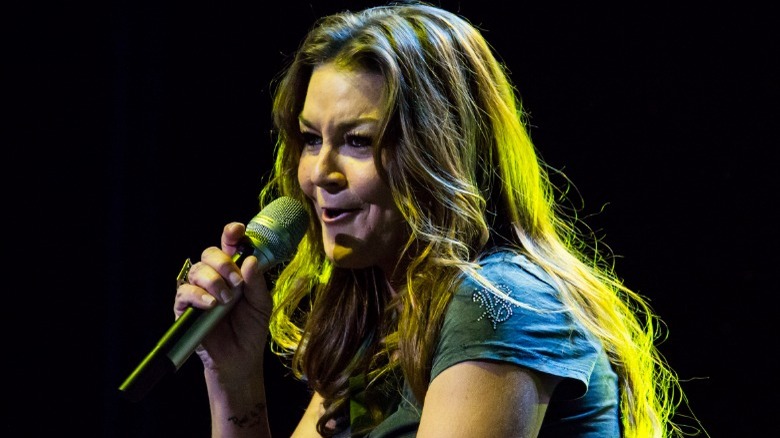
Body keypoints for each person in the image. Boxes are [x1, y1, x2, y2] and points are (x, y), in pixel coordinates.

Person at [173, 2, 695, 437]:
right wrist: (233, 377)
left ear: (439, 152)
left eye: (358, 141)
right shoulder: (388, 331)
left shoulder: (494, 304)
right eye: (311, 139)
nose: (318, 173)